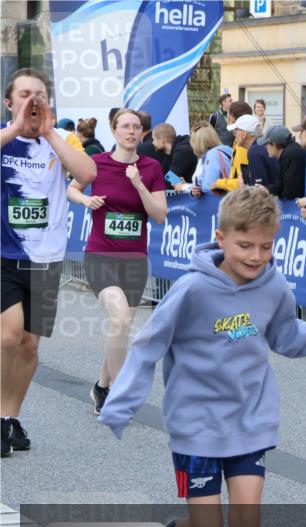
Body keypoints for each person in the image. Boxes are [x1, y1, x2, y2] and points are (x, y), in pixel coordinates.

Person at [98, 187, 306, 527]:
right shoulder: (192, 289)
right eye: (246, 245)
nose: (256, 256)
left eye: (267, 247)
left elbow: (286, 335)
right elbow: (148, 346)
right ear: (221, 238)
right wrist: (120, 405)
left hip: (250, 422)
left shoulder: (274, 286)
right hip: (196, 427)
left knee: (248, 522)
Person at [1, 68, 97, 458]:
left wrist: (51, 132)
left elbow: (88, 173)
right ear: (10, 102)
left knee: (28, 344)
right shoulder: (4, 141)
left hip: (47, 260)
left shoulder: (62, 143)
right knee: (7, 336)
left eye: (39, 95)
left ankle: (10, 417)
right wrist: (17, 125)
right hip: (5, 255)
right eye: (24, 95)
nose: (33, 102)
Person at [67, 108, 168, 413]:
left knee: (120, 327)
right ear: (114, 131)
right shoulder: (96, 163)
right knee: (121, 319)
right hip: (100, 255)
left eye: (136, 127)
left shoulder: (151, 168)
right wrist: (86, 200)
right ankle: (122, 391)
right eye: (125, 126)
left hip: (135, 259)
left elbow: (160, 215)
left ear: (142, 133)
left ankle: (102, 387)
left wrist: (138, 184)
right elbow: (72, 188)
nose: (131, 131)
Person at [175, 124, 233, 198]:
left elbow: (209, 185)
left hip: (223, 199)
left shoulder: (212, 154)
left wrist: (186, 187)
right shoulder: (227, 149)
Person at [212, 115, 264, 193]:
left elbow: (244, 183)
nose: (234, 135)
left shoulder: (253, 153)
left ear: (244, 134)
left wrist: (218, 183)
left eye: (236, 131)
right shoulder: (259, 149)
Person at [263, 125, 306, 200]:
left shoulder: (291, 154)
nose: (265, 147)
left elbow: (290, 192)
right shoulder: (289, 152)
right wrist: (266, 190)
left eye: (267, 144)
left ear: (275, 144)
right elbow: (280, 186)